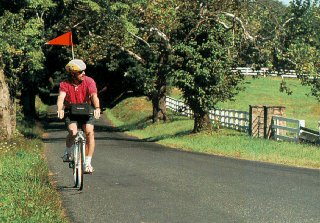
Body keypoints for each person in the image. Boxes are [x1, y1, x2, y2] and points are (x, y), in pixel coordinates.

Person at [57, 59, 101, 173]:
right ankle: (67, 152)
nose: (84, 74)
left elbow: (94, 95)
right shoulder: (64, 84)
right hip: (71, 112)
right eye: (80, 72)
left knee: (89, 132)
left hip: (86, 111)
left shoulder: (89, 81)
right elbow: (61, 97)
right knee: (73, 132)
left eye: (84, 71)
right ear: (73, 74)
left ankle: (87, 163)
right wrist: (60, 109)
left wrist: (97, 108)